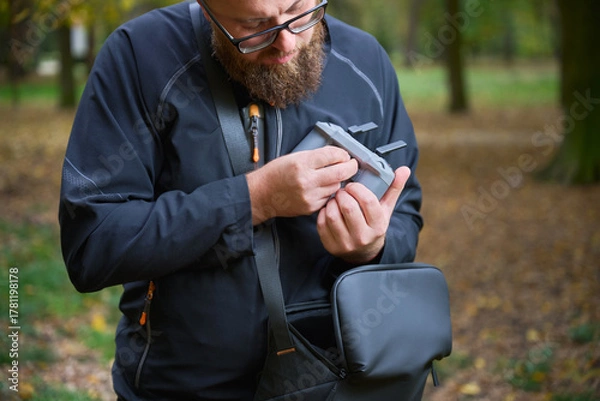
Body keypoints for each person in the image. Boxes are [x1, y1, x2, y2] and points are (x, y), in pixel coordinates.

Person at [59, 0, 423, 399]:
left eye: (301, 11)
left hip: (335, 380)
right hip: (183, 385)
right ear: (207, 8)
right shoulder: (139, 56)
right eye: (254, 26)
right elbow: (93, 246)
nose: (286, 41)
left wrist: (372, 248)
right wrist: (254, 199)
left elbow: (404, 214)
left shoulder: (366, 60)